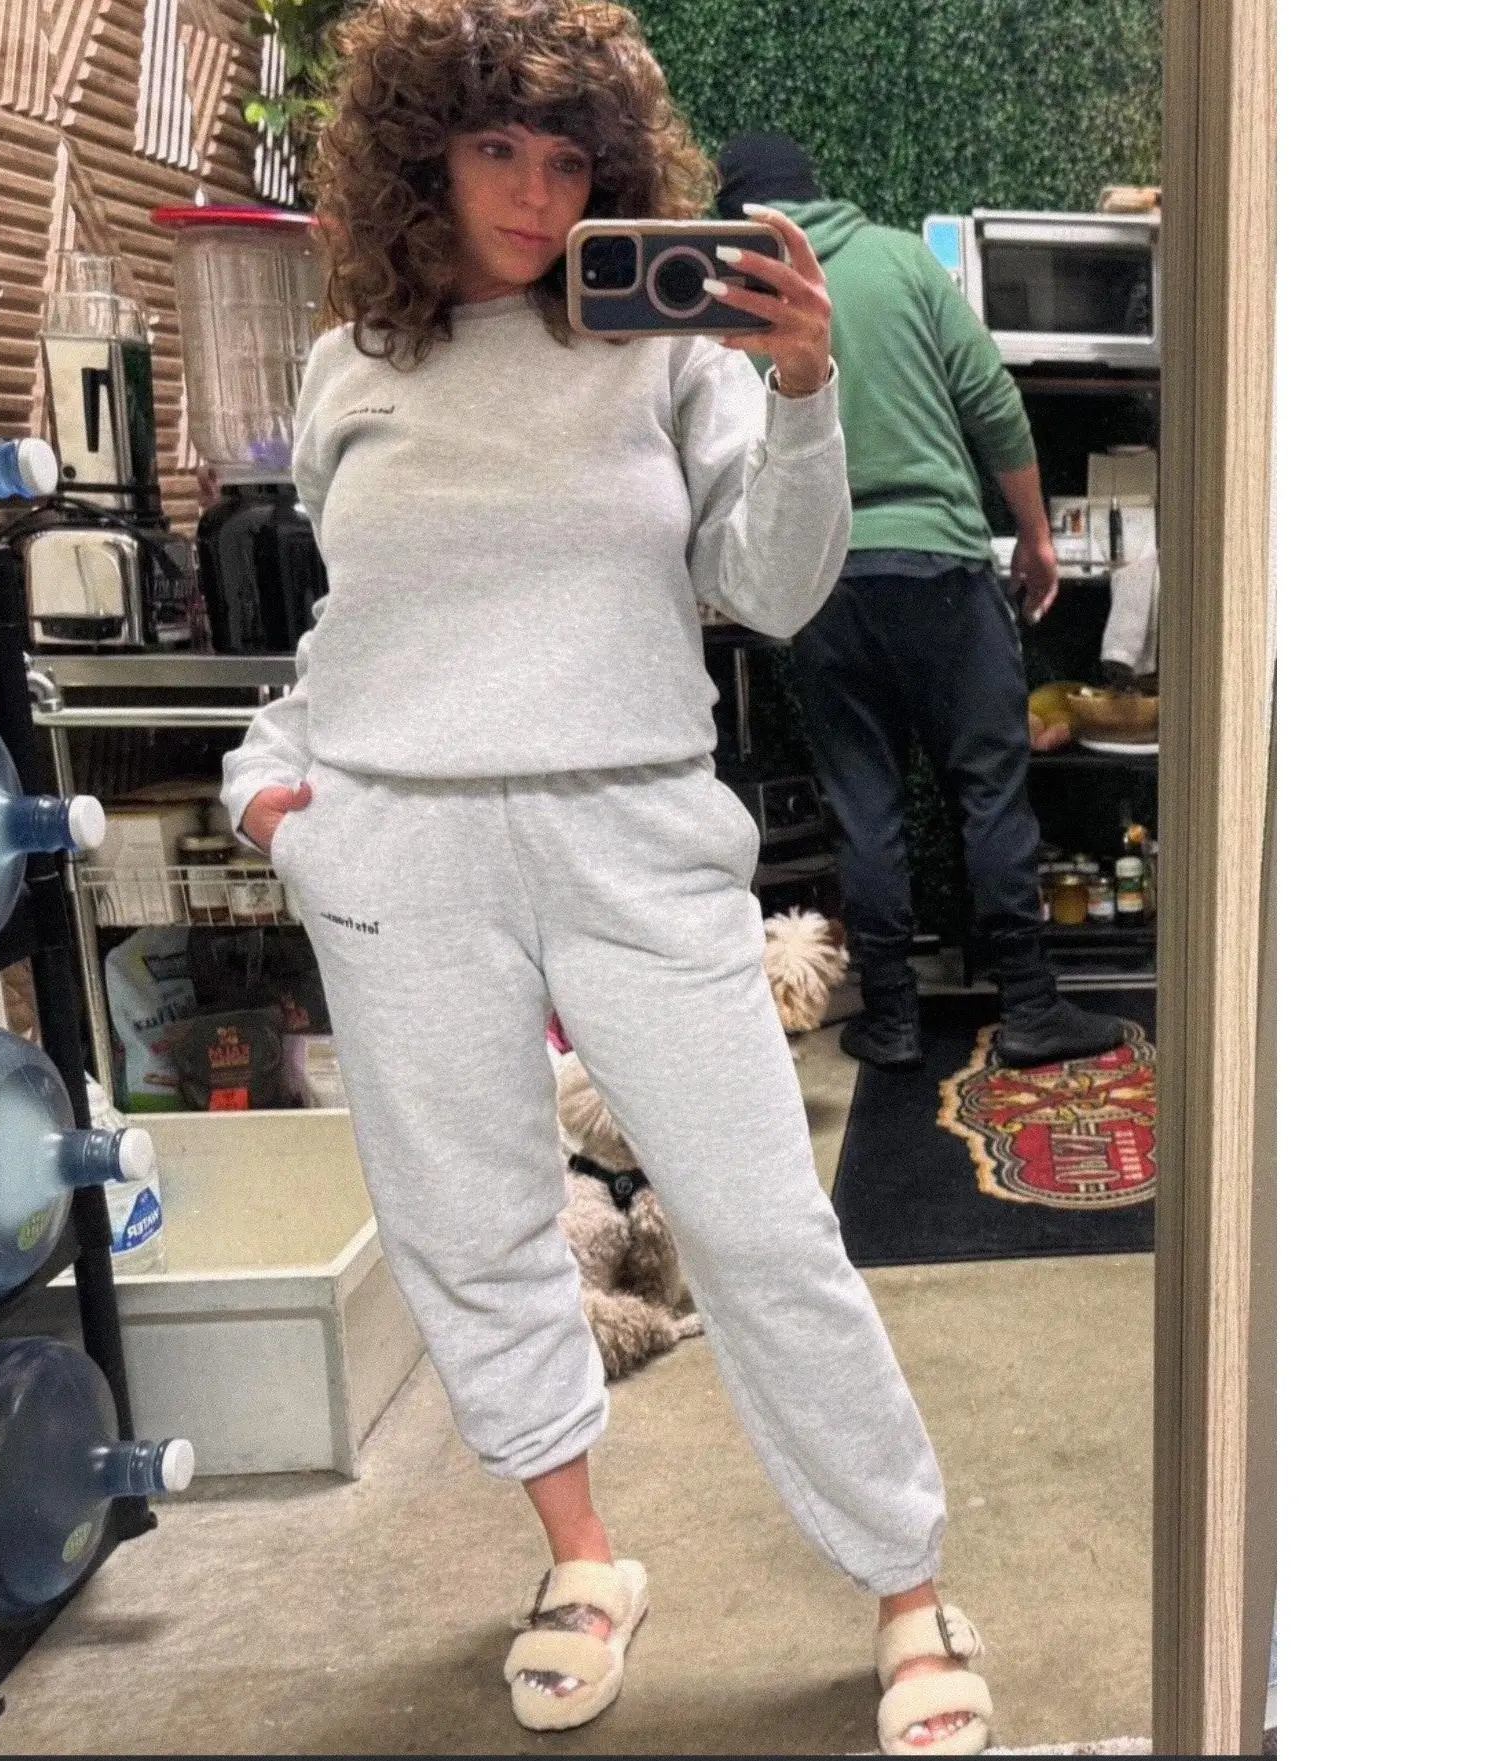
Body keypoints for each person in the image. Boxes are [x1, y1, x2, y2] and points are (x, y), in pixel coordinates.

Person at [222, 4, 993, 1751]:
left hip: (635, 832)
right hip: (404, 845)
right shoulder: (355, 365)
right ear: (419, 160)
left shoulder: (670, 354)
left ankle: (905, 1582)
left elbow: (774, 590)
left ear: (618, 178)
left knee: (763, 1225)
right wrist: (280, 798)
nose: (533, 191)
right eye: (494, 148)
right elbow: (366, 623)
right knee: (472, 1228)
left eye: (569, 159)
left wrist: (803, 389)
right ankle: (580, 1558)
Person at [715, 133, 1126, 1070]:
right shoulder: (900, 260)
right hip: (941, 566)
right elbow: (992, 403)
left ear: (732, 214)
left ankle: (892, 1016)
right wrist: (1033, 535)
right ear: (815, 191)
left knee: (864, 803)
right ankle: (1029, 1006)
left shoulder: (731, 305)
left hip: (822, 582)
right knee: (988, 788)